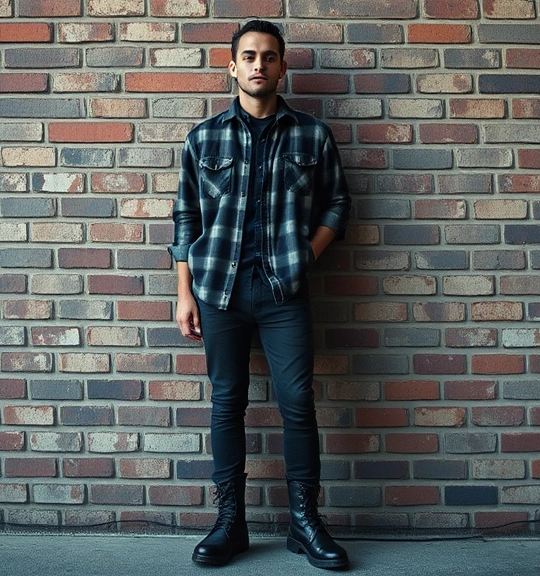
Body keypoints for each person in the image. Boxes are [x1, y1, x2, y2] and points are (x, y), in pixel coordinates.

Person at [168, 19, 352, 570]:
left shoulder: (311, 135)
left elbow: (337, 206)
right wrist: (184, 293)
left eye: (269, 57)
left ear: (281, 66)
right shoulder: (203, 139)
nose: (258, 65)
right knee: (227, 404)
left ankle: (305, 524)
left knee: (298, 403)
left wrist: (306, 255)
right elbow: (186, 218)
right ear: (232, 66)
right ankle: (230, 524)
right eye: (248, 56)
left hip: (283, 292)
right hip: (219, 289)